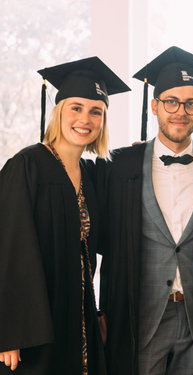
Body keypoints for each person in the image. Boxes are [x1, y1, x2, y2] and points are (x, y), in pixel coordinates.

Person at [96, 46, 193, 375]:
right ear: (155, 106)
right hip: (138, 317)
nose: (180, 111)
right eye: (171, 101)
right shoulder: (117, 167)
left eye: (191, 103)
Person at [0, 57, 130, 375]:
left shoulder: (89, 173)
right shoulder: (27, 166)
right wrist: (8, 332)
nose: (84, 119)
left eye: (95, 111)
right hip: (35, 322)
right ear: (59, 110)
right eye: (76, 107)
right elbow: (8, 249)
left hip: (81, 313)